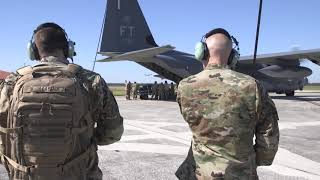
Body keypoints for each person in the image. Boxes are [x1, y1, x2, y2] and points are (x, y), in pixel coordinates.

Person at [0, 22, 124, 180]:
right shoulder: (90, 81)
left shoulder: (12, 82)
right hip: (79, 174)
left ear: (33, 51)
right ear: (68, 48)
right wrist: (86, 137)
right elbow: (113, 132)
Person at [175, 28, 279, 180]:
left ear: (201, 53)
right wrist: (254, 162)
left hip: (200, 173)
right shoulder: (252, 86)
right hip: (241, 173)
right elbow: (269, 134)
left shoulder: (185, 86)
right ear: (232, 56)